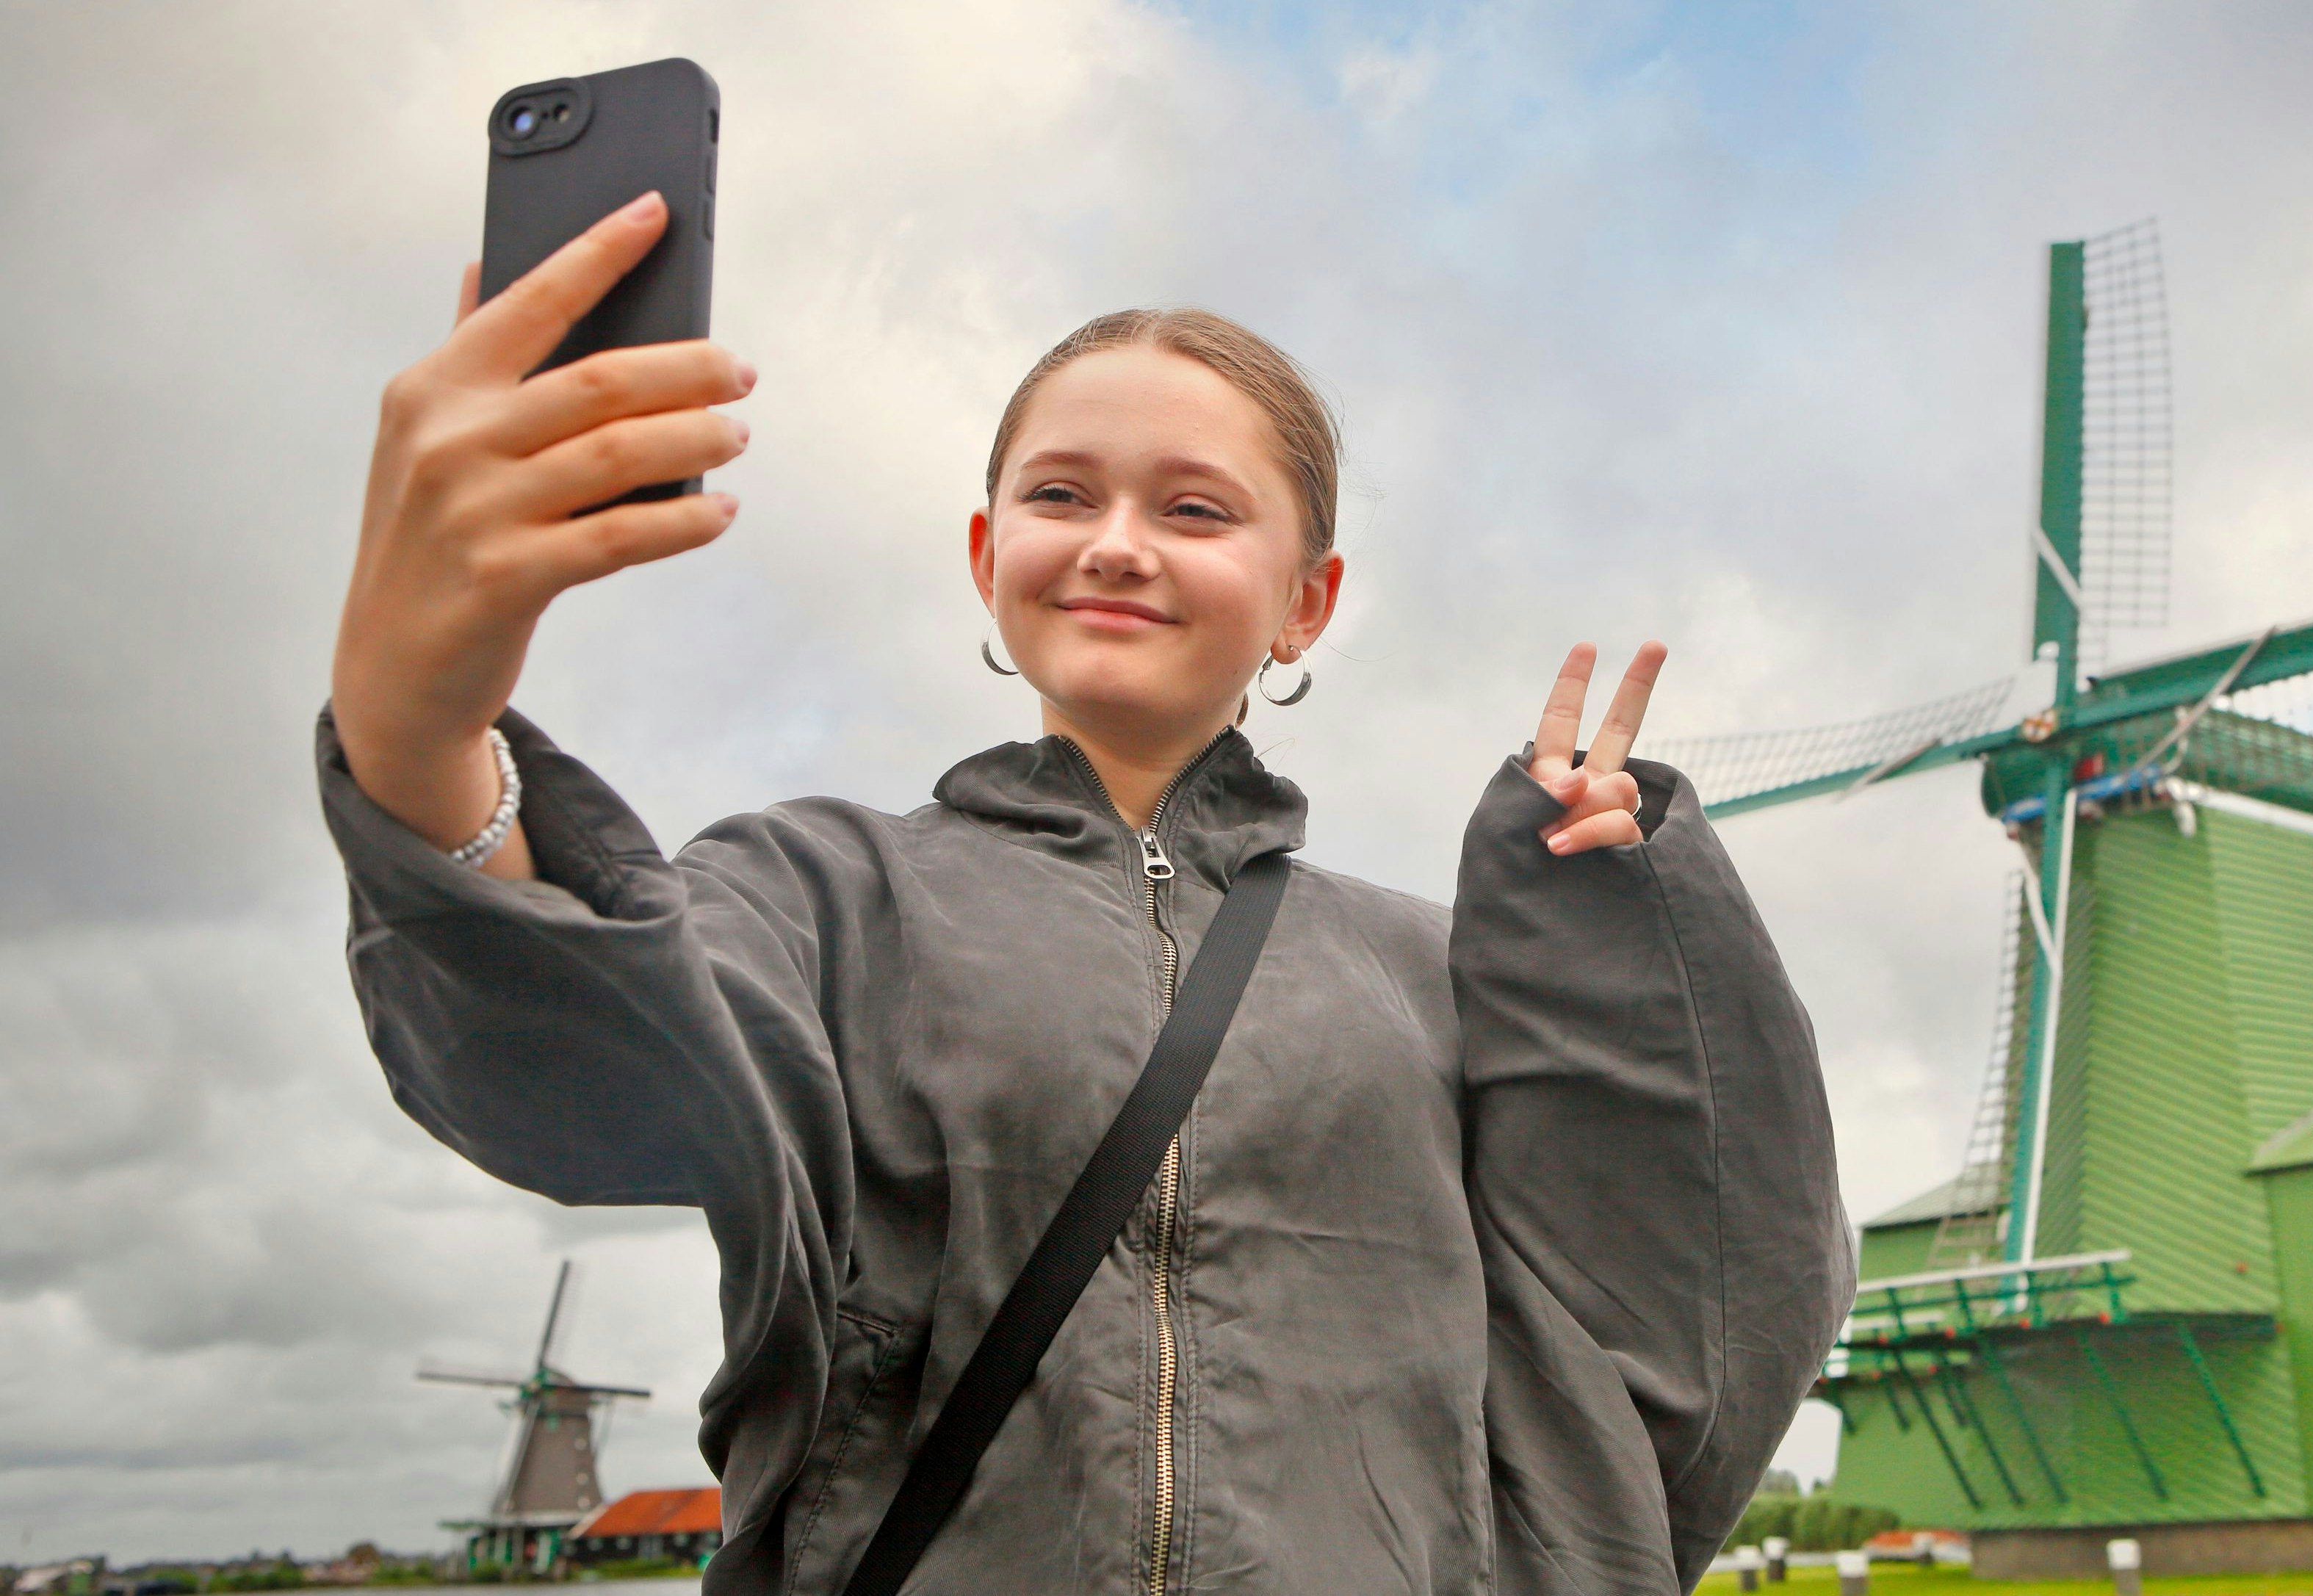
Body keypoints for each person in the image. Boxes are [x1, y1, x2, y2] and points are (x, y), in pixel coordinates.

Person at [322, 191, 1852, 1596]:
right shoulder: (822, 892)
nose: (1118, 543)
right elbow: (578, 1065)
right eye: (1063, 494)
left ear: (1305, 600)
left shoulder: (1429, 973)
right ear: (991, 554)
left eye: (1196, 510)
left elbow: (1688, 1297)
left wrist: (1623, 930)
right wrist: (419, 729)